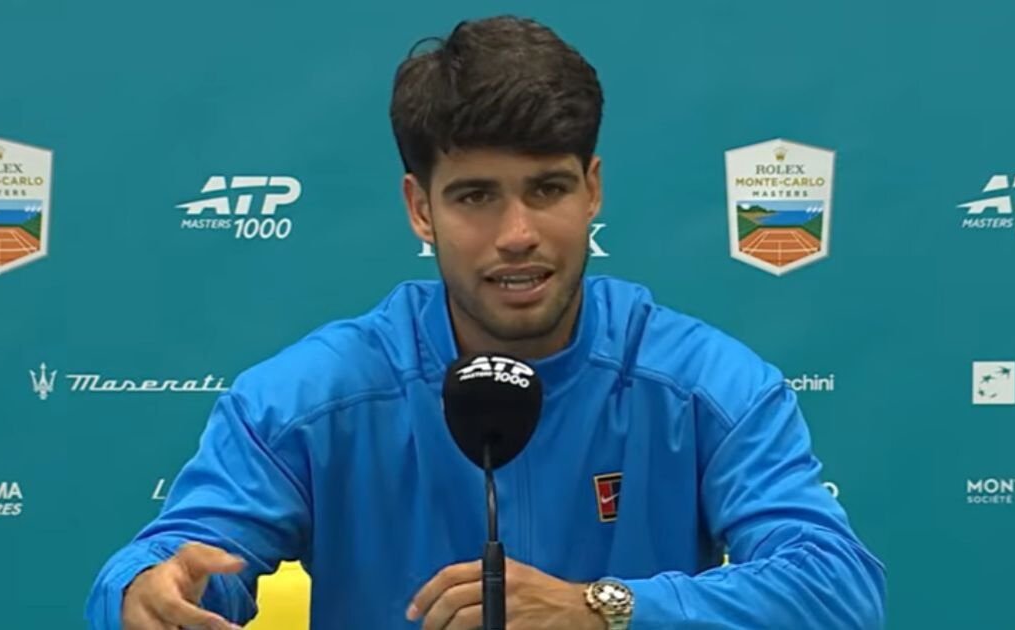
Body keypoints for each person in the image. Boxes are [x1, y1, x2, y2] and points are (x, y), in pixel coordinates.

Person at [85, 14, 886, 630]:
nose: (518, 234)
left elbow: (840, 589)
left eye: (547, 189)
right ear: (420, 208)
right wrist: (145, 592)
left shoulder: (707, 386)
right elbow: (176, 561)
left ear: (593, 190)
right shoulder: (312, 398)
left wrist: (602, 608)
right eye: (476, 196)